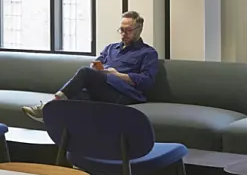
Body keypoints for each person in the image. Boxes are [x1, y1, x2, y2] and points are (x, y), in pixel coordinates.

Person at [24, 11, 159, 120]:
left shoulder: (148, 53)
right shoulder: (110, 48)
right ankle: (58, 132)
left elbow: (147, 81)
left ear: (139, 30)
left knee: (85, 72)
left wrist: (118, 75)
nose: (123, 34)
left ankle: (48, 106)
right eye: (121, 30)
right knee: (77, 96)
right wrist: (96, 68)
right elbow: (95, 64)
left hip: (124, 95)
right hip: (102, 89)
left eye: (128, 30)